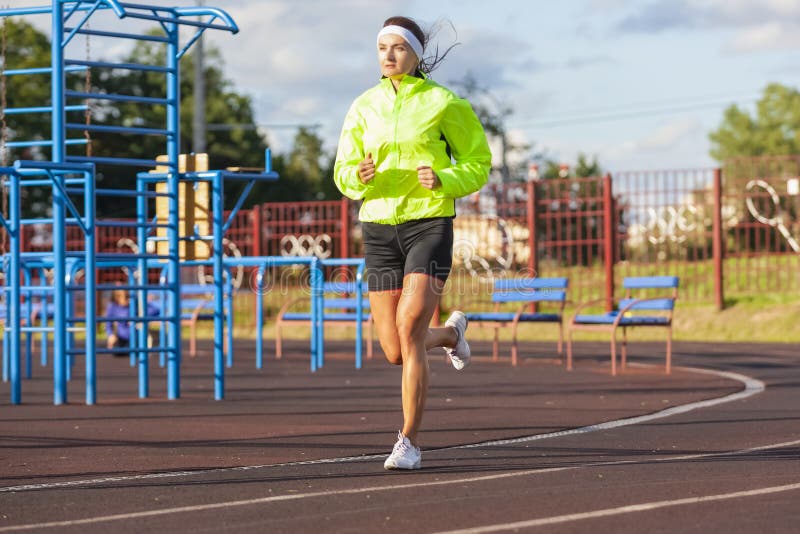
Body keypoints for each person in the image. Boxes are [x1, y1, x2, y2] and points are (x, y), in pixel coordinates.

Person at [334, 16, 491, 470]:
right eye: (382, 47)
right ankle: (451, 334)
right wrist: (355, 177)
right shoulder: (362, 106)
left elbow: (478, 162)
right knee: (395, 349)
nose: (388, 55)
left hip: (429, 223)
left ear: (416, 54)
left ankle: (410, 441)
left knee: (409, 328)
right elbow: (342, 170)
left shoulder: (444, 103)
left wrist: (444, 177)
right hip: (380, 229)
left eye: (398, 47)